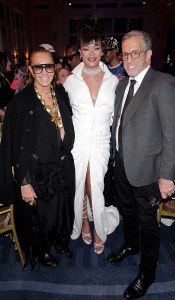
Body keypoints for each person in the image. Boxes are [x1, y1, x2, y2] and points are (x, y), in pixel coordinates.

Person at [106, 30, 175, 299]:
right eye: (125, 54)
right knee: (128, 212)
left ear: (148, 54)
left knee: (148, 223)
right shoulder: (123, 84)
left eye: (136, 52)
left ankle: (148, 272)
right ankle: (130, 246)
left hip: (149, 172)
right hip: (122, 165)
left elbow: (172, 134)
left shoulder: (163, 83)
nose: (130, 58)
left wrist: (167, 176)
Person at [0, 48, 75, 269]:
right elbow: (13, 146)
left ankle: (58, 240)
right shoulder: (20, 103)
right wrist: (24, 182)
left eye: (48, 66)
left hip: (61, 165)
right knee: (40, 216)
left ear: (55, 67)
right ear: (31, 70)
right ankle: (41, 251)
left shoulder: (60, 92)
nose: (44, 71)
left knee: (61, 209)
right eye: (38, 67)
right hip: (37, 171)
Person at [64, 16, 120, 255]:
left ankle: (99, 229)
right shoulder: (70, 81)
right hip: (78, 143)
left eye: (96, 48)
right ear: (80, 50)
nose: (91, 53)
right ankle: (84, 220)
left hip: (100, 142)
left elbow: (115, 119)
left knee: (95, 185)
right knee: (80, 186)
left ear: (102, 50)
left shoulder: (113, 81)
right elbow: (64, 116)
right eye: (86, 48)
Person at [0, 51, 14, 118]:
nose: (10, 63)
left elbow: (9, 93)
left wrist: (17, 81)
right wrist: (7, 117)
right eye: (8, 60)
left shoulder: (4, 76)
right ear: (2, 63)